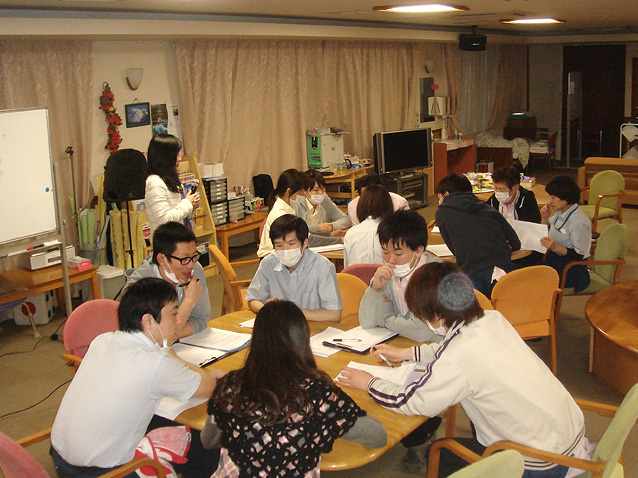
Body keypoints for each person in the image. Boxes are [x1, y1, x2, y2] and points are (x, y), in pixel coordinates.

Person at [339, 262, 589, 478]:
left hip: (542, 464)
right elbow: (455, 350)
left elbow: (412, 402)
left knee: (440, 453)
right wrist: (408, 353)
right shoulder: (492, 320)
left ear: (437, 314)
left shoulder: (458, 355)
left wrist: (369, 382)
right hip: (568, 438)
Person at [51, 278, 223, 478]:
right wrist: (172, 355)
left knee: (162, 420)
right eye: (174, 314)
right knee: (203, 441)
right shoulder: (155, 363)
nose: (178, 321)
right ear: (148, 321)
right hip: (101, 473)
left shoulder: (103, 340)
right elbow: (209, 387)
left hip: (60, 459)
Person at [201, 300, 387, 477]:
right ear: (303, 339)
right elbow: (378, 436)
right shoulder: (319, 393)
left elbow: (208, 441)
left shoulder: (232, 385)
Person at [359, 209, 444, 343]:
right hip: (402, 344)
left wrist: (384, 319)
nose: (390, 260)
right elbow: (367, 322)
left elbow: (421, 331)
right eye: (385, 252)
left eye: (398, 254)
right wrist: (374, 289)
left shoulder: (438, 275)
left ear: (419, 250)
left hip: (441, 348)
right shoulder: (385, 274)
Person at [435, 173, 520, 297]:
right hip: (506, 271)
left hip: (473, 274)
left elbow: (455, 250)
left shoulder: (442, 212)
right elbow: (516, 243)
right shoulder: (488, 208)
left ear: (446, 194)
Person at [246, 214, 342, 323]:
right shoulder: (268, 263)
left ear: (304, 243)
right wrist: (268, 309)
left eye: (291, 244)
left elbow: (334, 315)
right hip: (279, 327)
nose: (285, 250)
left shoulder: (323, 267)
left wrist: (290, 313)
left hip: (312, 327)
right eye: (279, 245)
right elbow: (253, 299)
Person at [124, 221, 209, 338]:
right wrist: (189, 302)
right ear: (162, 259)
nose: (191, 265)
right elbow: (151, 338)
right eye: (184, 259)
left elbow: (201, 319)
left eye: (194, 256)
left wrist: (174, 334)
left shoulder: (195, 269)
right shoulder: (140, 287)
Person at [541, 175, 592, 293]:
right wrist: (544, 218)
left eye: (553, 198)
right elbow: (547, 233)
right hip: (554, 259)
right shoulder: (560, 212)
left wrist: (556, 247)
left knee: (535, 280)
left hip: (571, 268)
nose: (550, 201)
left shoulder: (579, 222)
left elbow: (579, 255)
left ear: (565, 198)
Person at [145, 133, 199, 237]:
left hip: (181, 238)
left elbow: (180, 213)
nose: (180, 158)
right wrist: (187, 203)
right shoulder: (154, 182)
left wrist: (192, 206)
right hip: (167, 242)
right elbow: (164, 219)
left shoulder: (171, 179)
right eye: (176, 154)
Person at [294, 169, 352, 248]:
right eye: (316, 190)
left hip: (324, 243)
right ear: (305, 191)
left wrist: (332, 226)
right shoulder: (298, 203)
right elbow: (297, 231)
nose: (321, 193)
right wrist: (319, 228)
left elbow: (346, 219)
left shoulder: (324, 198)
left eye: (323, 188)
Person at [257, 169, 306, 258]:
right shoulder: (280, 214)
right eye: (301, 191)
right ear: (289, 191)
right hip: (274, 257)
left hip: (285, 252)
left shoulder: (290, 206)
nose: (304, 193)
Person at [344, 184, 393, 267]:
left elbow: (346, 268)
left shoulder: (351, 233)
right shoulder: (393, 232)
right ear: (388, 205)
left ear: (360, 206)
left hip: (356, 275)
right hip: (386, 274)